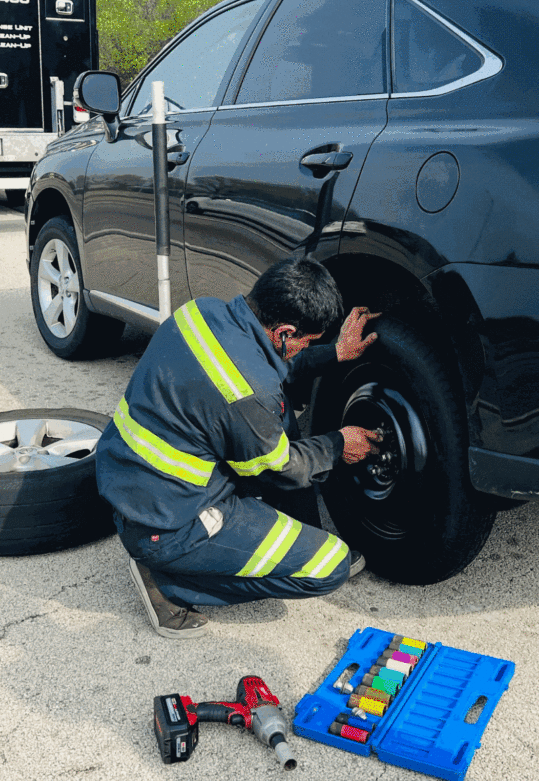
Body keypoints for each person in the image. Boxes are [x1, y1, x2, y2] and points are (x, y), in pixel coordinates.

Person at [95, 256, 382, 638]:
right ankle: (167, 581)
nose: (302, 349)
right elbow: (280, 468)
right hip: (169, 527)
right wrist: (337, 443)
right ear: (283, 331)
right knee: (330, 566)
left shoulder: (202, 311)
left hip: (133, 484)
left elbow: (263, 368)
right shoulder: (248, 394)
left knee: (277, 413)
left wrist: (333, 353)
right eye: (305, 342)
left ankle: (282, 536)